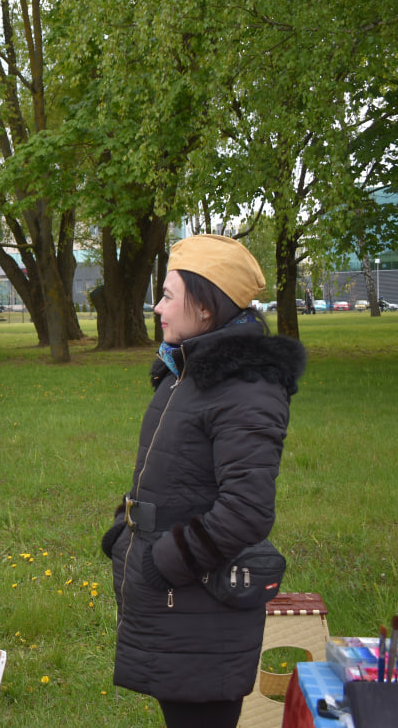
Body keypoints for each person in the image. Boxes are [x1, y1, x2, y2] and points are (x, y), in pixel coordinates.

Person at [101, 235, 306, 728]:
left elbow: (246, 510)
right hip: (176, 601)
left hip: (200, 601)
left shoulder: (246, 387)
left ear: (206, 307)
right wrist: (125, 530)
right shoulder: (185, 372)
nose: (157, 307)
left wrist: (165, 560)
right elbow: (172, 476)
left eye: (168, 295)